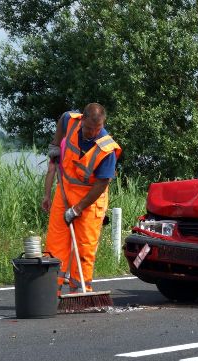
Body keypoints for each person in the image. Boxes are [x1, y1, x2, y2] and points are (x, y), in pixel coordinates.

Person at [44, 103, 121, 295]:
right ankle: (51, 290)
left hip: (90, 200)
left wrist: (77, 209)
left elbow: (101, 184)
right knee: (55, 243)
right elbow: (63, 117)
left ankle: (79, 291)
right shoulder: (71, 121)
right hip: (65, 192)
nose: (93, 133)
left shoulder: (106, 149)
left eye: (97, 129)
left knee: (85, 247)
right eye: (89, 128)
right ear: (83, 119)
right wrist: (55, 144)